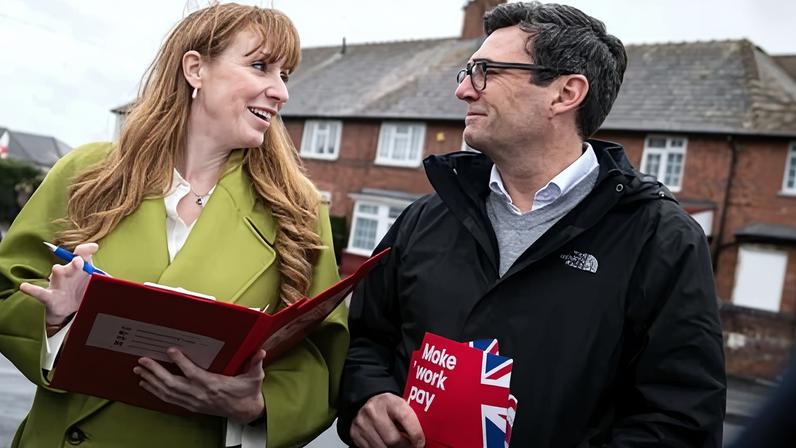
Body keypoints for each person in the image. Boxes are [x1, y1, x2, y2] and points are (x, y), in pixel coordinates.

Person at [337, 2, 726, 447]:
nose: (464, 89)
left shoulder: (661, 240)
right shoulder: (425, 217)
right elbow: (365, 341)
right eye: (466, 71)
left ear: (564, 94)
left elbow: (681, 421)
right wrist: (368, 396)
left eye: (485, 71)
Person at [0, 4, 347, 447]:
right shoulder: (87, 172)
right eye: (260, 66)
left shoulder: (299, 210)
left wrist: (257, 404)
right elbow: (9, 287)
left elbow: (322, 356)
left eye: (286, 75)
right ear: (195, 69)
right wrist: (56, 321)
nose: (280, 91)